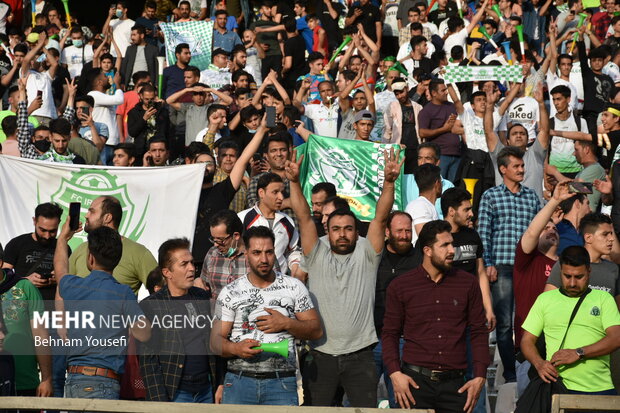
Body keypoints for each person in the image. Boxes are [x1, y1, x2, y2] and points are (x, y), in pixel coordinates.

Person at [288, 145, 403, 407]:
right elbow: (304, 217)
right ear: (327, 230)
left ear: (356, 231)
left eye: (348, 229)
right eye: (336, 229)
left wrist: (388, 183)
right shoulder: (316, 251)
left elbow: (381, 217)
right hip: (320, 354)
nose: (342, 234)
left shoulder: (367, 251)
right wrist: (294, 181)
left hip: (361, 355)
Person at [383, 220, 490, 412]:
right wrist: (394, 373)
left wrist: (480, 376)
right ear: (427, 250)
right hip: (414, 385)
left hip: (456, 384)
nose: (452, 251)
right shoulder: (401, 286)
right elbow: (390, 333)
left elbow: (478, 331)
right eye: (444, 245)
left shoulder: (468, 283)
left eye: (452, 244)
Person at [212, 226, 322, 405]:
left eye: (269, 252)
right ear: (246, 254)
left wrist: (287, 323)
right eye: (256, 252)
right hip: (239, 381)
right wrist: (236, 349)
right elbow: (214, 342)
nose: (264, 259)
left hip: (281, 383)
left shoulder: (294, 287)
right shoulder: (230, 292)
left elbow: (316, 331)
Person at [54, 221, 151, 401]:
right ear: (118, 259)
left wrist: (62, 238)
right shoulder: (123, 293)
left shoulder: (73, 286)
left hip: (73, 380)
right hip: (105, 383)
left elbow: (60, 271)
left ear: (90, 258)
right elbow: (144, 334)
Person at [478, 146, 541, 383]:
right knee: (504, 324)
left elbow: (539, 231)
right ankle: (510, 371)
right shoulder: (490, 196)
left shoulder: (532, 196)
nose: (521, 169)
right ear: (502, 169)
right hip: (502, 265)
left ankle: (528, 366)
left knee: (530, 320)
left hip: (528, 268)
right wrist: (489, 264)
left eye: (522, 165)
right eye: (516, 166)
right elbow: (483, 232)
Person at [521, 245, 620, 396]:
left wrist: (579, 352)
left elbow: (616, 337)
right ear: (560, 271)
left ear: (589, 271)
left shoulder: (603, 298)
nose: (573, 283)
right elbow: (527, 341)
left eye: (579, 277)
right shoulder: (544, 300)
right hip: (558, 388)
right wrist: (539, 364)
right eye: (567, 276)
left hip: (599, 389)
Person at [512, 182, 573, 394]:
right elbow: (531, 233)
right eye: (545, 228)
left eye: (554, 228)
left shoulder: (568, 267)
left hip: (563, 352)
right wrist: (554, 201)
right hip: (531, 352)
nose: (551, 230)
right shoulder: (527, 261)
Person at [139, 238, 216, 403]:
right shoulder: (150, 306)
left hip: (206, 390)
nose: (192, 268)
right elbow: (148, 361)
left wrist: (220, 384)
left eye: (192, 263)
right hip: (174, 393)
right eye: (184, 264)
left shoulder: (202, 297)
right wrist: (159, 401)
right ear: (167, 272)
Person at [67, 196, 158, 294]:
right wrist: (64, 239)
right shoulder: (81, 248)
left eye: (92, 212)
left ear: (107, 218)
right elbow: (63, 288)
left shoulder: (139, 253)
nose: (86, 215)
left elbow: (161, 292)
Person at [373, 211, 418, 408]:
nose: (404, 235)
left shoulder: (420, 259)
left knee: (402, 401)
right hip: (372, 340)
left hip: (404, 341)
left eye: (408, 231)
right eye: (399, 230)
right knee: (358, 399)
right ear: (387, 232)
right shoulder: (374, 257)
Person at [238, 173, 301, 276]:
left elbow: (293, 250)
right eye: (275, 192)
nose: (281, 197)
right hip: (248, 282)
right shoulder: (243, 218)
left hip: (279, 284)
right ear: (261, 193)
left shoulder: (287, 221)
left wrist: (295, 265)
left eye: (282, 192)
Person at [545, 213, 620, 297]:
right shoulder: (566, 263)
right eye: (605, 234)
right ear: (588, 238)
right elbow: (547, 302)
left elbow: (616, 307)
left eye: (611, 233)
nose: (611, 238)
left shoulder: (613, 269)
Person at [194, 209, 247, 302]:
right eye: (213, 239)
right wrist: (197, 281)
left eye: (220, 240)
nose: (216, 245)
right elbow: (203, 284)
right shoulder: (212, 254)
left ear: (236, 236)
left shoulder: (258, 255)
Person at [417, 79, 461, 182]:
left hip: (457, 154)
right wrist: (444, 129)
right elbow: (422, 132)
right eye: (443, 90)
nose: (446, 92)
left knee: (453, 187)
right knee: (439, 185)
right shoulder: (426, 111)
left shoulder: (451, 106)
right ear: (434, 93)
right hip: (441, 156)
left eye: (446, 89)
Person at [127, 84, 171, 159]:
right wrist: (144, 119)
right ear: (141, 96)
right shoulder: (134, 112)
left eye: (152, 99)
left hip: (158, 150)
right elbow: (132, 132)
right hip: (141, 150)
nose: (149, 102)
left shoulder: (162, 111)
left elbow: (167, 131)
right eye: (146, 99)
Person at [405, 163, 442, 245]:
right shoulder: (420, 206)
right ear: (437, 183)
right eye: (441, 181)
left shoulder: (424, 205)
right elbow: (426, 240)